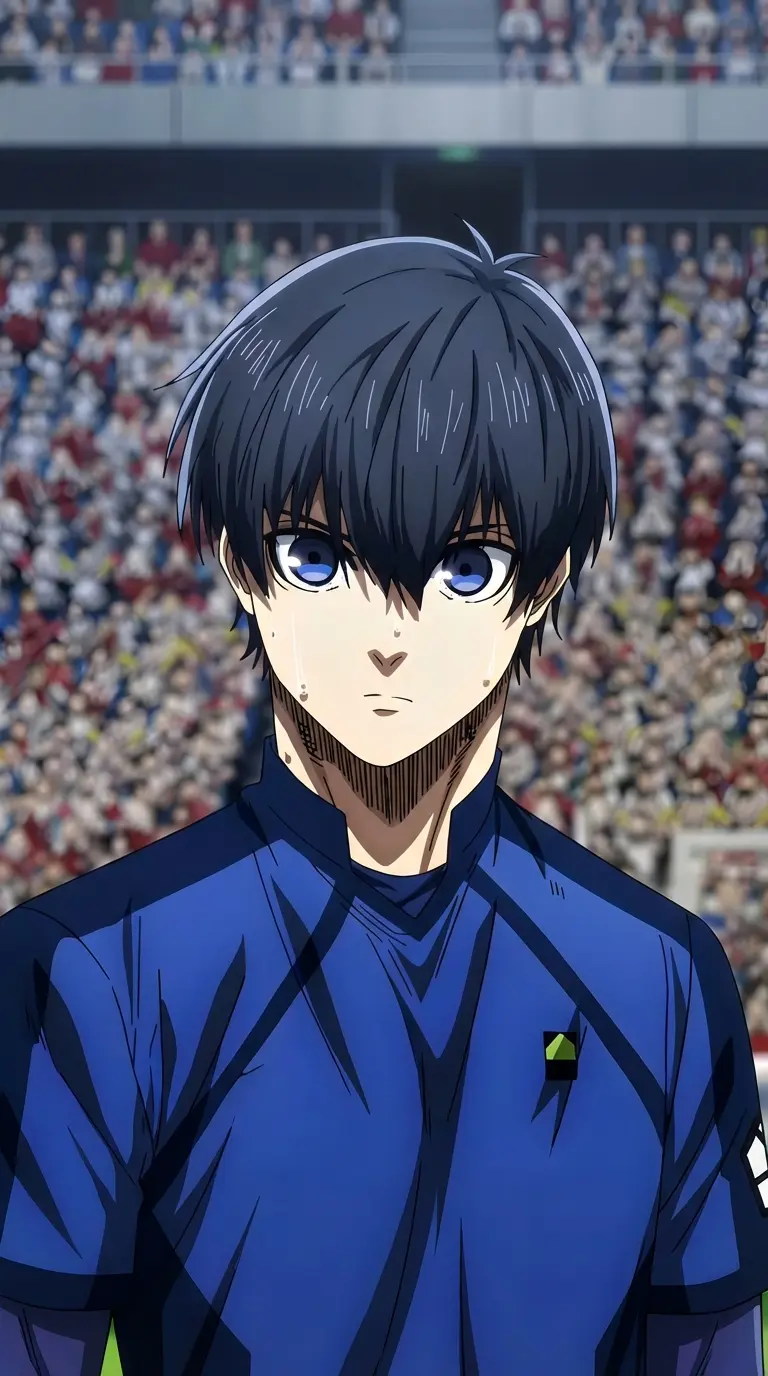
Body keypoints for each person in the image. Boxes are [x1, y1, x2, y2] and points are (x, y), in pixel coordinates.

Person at [0, 229, 767, 1376]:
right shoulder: (89, 969)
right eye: (316, 555)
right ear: (238, 561)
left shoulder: (662, 979)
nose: (387, 634)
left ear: (543, 583)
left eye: (464, 567)